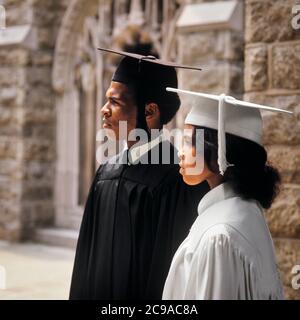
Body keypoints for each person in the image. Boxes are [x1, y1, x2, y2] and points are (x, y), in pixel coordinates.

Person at [69, 49, 208, 299]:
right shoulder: (105, 173)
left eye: (115, 101)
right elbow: (85, 262)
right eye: (106, 99)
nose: (104, 109)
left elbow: (172, 278)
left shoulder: (178, 180)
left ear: (150, 112)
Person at [163, 88, 291, 300]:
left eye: (188, 141)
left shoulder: (219, 236)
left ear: (218, 151)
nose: (180, 151)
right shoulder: (247, 210)